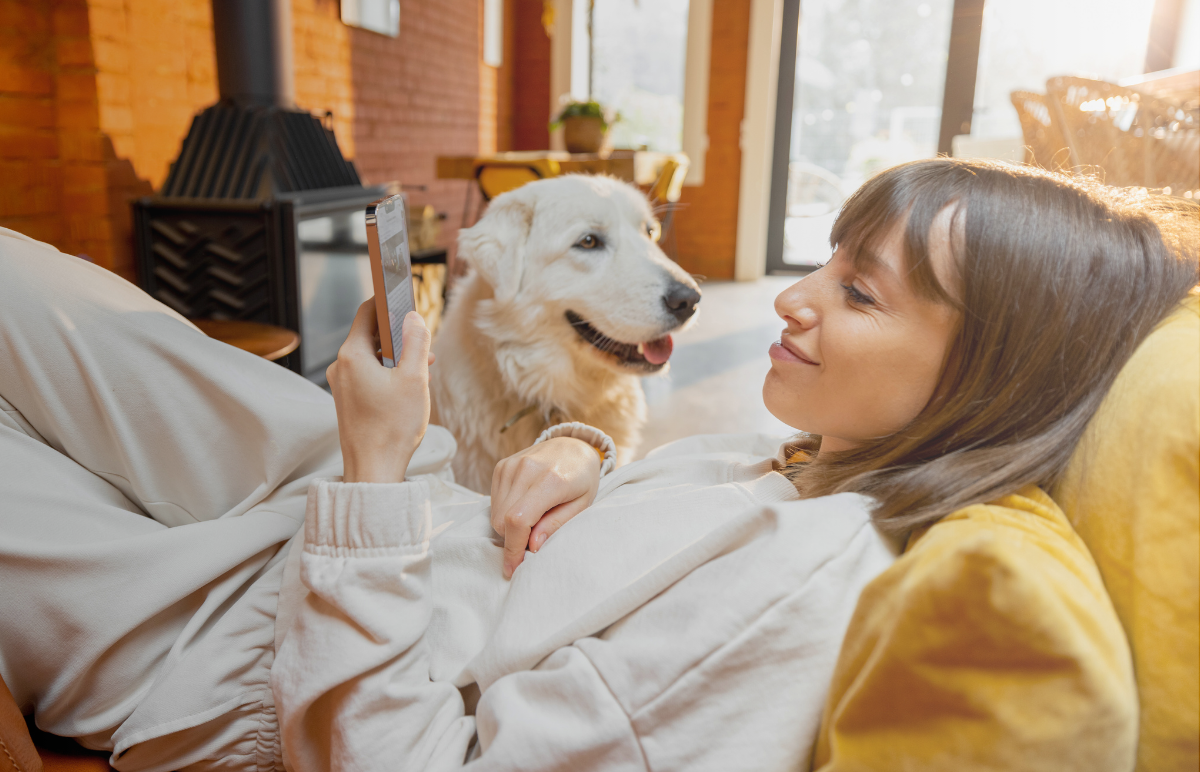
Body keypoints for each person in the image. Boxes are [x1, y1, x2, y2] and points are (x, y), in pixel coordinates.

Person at [0, 159, 1196, 771]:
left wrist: (367, 474)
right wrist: (579, 447)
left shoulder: (800, 592)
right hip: (397, 509)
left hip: (274, 660)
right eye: (828, 263)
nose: (789, 297)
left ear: (985, 372)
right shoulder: (829, 456)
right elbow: (644, 512)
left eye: (860, 292)